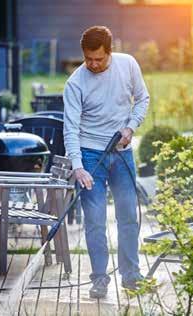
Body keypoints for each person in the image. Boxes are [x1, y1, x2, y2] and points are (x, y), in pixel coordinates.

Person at [63, 26, 149, 299]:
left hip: (122, 153)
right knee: (96, 220)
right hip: (90, 157)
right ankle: (99, 278)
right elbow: (70, 128)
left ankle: (131, 277)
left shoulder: (128, 65)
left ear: (109, 52)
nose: (93, 64)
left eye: (99, 58)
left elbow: (142, 99)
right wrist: (78, 166)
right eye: (88, 58)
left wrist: (131, 127)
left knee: (127, 216)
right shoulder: (75, 83)